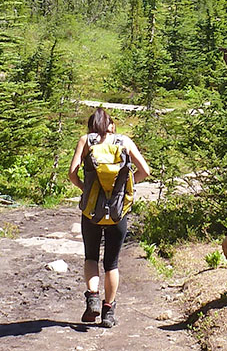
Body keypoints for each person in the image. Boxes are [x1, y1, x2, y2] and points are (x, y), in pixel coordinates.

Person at [68, 107, 150, 328]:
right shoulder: (124, 141)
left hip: (91, 211)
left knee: (91, 258)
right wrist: (126, 189)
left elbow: (72, 173)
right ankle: (108, 312)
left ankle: (93, 297)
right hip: (117, 212)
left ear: (92, 125)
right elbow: (145, 171)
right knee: (112, 263)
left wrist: (86, 189)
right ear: (111, 124)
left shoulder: (86, 140)